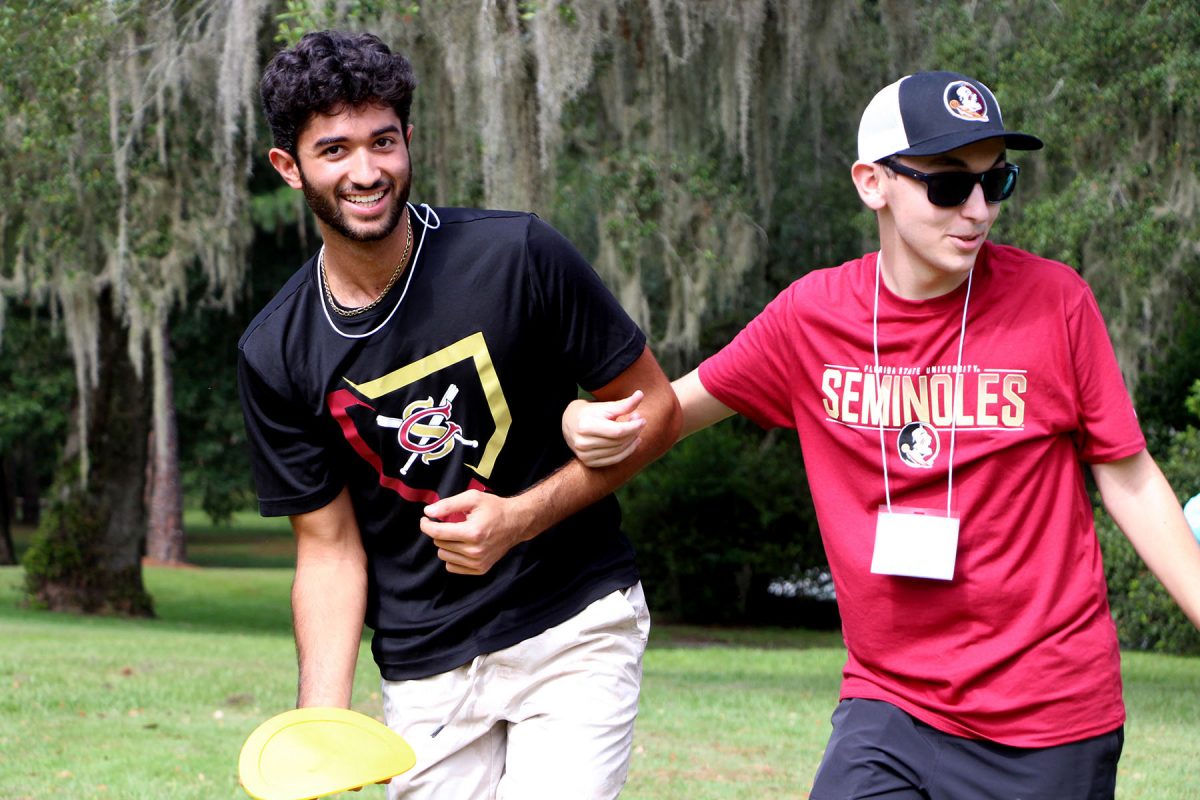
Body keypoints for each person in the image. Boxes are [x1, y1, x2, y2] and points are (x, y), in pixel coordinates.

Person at [563, 71, 1200, 798]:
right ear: (873, 183)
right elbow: (667, 414)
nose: (980, 210)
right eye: (949, 186)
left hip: (1047, 718)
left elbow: (1129, 475)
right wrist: (580, 417)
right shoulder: (812, 316)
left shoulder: (1056, 302)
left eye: (999, 182)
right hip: (890, 705)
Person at [238, 30, 680, 799]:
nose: (366, 172)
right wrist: (321, 726)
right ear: (290, 167)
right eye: (334, 150)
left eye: (383, 141)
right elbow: (330, 550)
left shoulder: (517, 255)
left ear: (409, 138)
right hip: (425, 664)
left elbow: (658, 411)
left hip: (572, 622)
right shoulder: (276, 350)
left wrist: (519, 518)